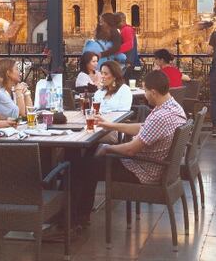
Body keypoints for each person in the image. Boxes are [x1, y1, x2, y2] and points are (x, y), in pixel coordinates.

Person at [67, 70, 188, 229]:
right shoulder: (173, 108)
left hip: (143, 172)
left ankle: (71, 220)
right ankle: (80, 216)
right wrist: (110, 125)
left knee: (80, 167)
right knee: (90, 158)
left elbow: (130, 150)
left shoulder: (161, 117)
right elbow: (144, 127)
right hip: (156, 168)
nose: (145, 95)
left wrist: (108, 148)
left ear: (153, 92)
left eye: (145, 91)